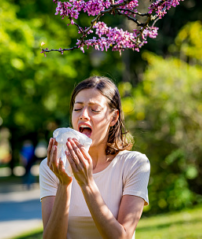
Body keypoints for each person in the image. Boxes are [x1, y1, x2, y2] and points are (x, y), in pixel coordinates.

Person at [40, 76, 150, 239]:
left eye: (94, 109)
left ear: (113, 118)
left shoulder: (134, 164)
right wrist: (65, 183)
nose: (83, 115)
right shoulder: (52, 166)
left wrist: (87, 183)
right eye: (77, 109)